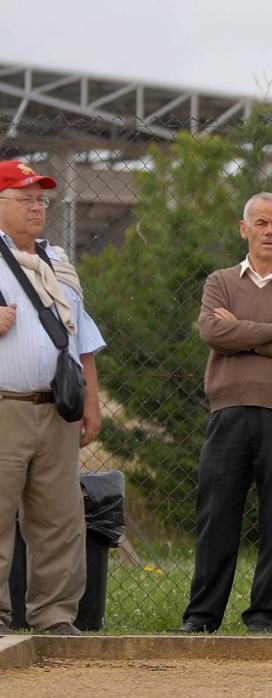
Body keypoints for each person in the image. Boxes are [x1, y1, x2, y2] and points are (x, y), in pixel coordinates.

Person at [176, 192, 272, 634]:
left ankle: (264, 616)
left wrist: (242, 334)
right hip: (229, 412)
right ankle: (202, 617)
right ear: (244, 229)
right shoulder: (220, 282)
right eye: (260, 223)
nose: (268, 231)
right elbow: (212, 331)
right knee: (217, 515)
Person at [0, 160, 106, 636]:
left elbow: (81, 337)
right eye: (25, 198)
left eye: (41, 199)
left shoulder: (57, 261)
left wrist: (91, 401)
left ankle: (55, 616)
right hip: (5, 407)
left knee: (61, 519)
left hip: (56, 408)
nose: (37, 207)